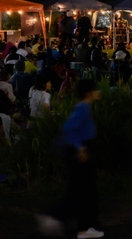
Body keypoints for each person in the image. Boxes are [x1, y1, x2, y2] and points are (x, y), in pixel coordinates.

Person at [37, 79, 103, 239]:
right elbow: (67, 128)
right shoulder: (83, 108)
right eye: (95, 89)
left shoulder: (84, 107)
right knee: (84, 191)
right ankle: (71, 223)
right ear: (89, 93)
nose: (98, 92)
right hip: (80, 152)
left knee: (81, 191)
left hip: (81, 150)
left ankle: (78, 226)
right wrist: (79, 147)